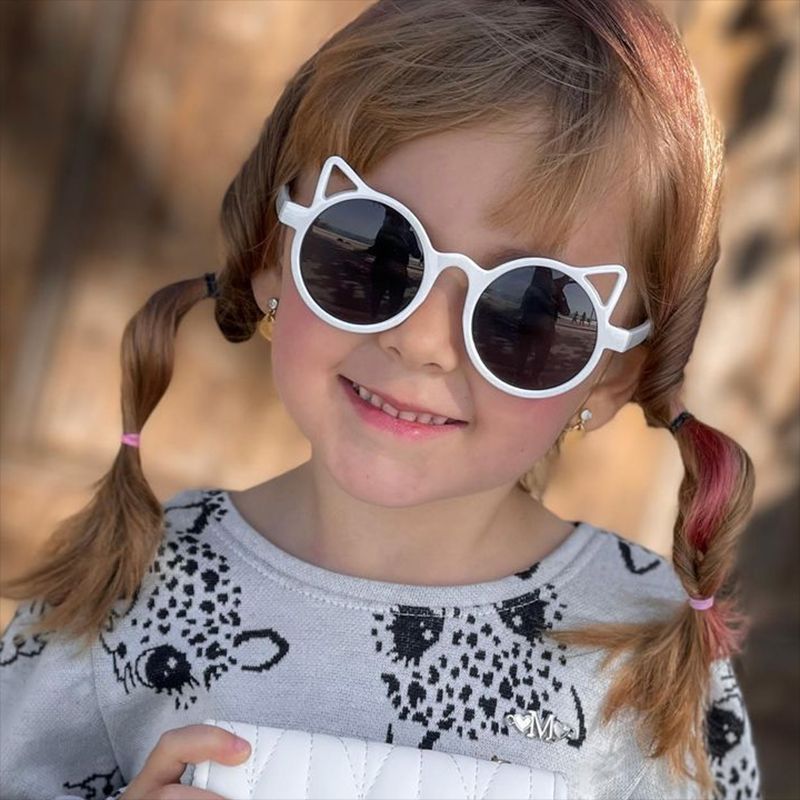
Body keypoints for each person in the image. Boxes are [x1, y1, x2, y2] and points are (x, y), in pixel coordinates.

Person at [0, 1, 763, 798]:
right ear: (270, 252)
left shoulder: (650, 645)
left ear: (610, 376)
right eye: (372, 248)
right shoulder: (119, 591)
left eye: (530, 307)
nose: (423, 340)